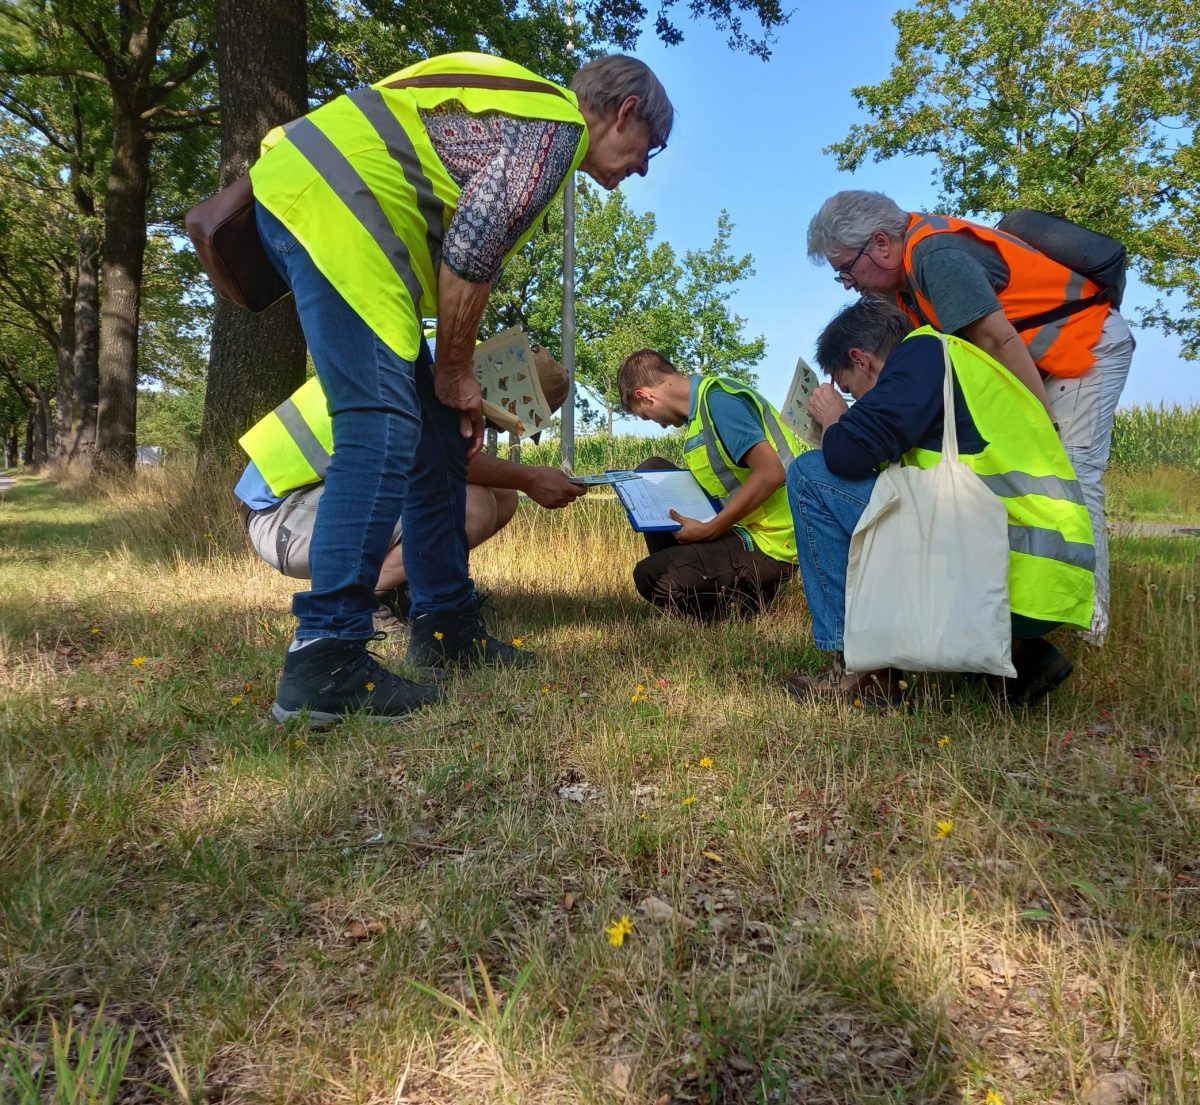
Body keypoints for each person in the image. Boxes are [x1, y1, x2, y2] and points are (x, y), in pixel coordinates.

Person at [243, 51, 672, 725]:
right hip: (338, 207)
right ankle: (325, 657)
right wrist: (454, 370)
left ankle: (446, 630)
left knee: (436, 436)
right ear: (625, 112)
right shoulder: (555, 126)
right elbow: (471, 248)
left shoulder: (522, 111)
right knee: (381, 428)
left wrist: (452, 383)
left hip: (331, 198)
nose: (643, 166)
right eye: (652, 146)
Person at [807, 190, 1133, 646]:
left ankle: (1088, 621)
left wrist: (1044, 427)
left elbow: (997, 341)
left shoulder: (933, 255)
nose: (845, 282)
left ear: (881, 243)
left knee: (1071, 471)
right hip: (1038, 359)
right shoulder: (906, 294)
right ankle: (1022, 599)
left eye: (845, 268)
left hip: (1085, 344)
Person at [784, 297, 1095, 707]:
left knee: (809, 473)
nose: (855, 398)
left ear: (862, 360)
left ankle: (859, 669)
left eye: (848, 386)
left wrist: (835, 417)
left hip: (1008, 564)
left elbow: (847, 457)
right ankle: (1020, 656)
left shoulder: (920, 355)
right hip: (1038, 567)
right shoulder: (953, 360)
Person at [236, 351, 585, 622]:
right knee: (472, 506)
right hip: (281, 517)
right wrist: (529, 478)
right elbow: (441, 456)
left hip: (309, 505)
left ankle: (411, 589)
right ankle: (363, 600)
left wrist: (521, 480)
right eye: (499, 420)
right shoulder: (439, 373)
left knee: (500, 495)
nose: (493, 429)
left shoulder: (446, 353)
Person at [616, 349, 801, 620]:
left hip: (775, 543)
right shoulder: (699, 415)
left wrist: (710, 529)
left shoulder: (719, 402)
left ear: (645, 395)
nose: (659, 425)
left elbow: (771, 473)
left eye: (646, 416)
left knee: (652, 576)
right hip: (745, 528)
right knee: (651, 473)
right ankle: (716, 589)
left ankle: (727, 610)